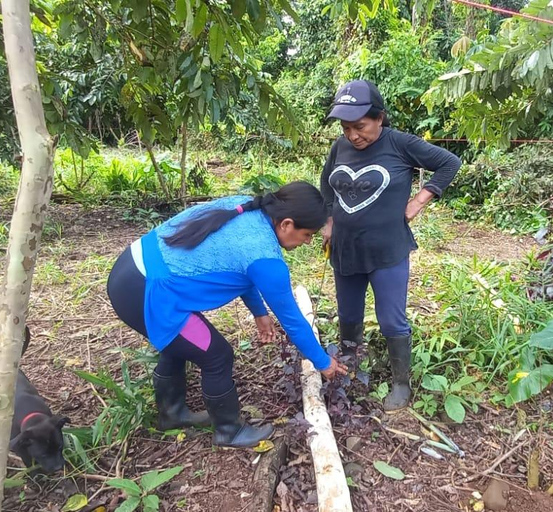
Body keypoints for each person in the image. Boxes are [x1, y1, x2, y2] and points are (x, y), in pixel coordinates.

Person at [107, 181, 348, 448]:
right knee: (217, 355)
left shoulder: (247, 209)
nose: (308, 242)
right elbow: (292, 320)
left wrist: (259, 312)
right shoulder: (266, 258)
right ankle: (228, 431)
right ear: (287, 224)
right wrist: (323, 362)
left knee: (179, 344)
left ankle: (172, 414)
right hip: (148, 290)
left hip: (131, 268)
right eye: (308, 235)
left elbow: (240, 269)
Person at [321, 80, 461, 412]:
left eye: (360, 126)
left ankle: (401, 383)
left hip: (387, 251)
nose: (353, 135)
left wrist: (421, 200)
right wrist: (328, 221)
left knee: (391, 321)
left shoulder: (399, 143)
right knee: (349, 316)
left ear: (380, 118)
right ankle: (350, 368)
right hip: (346, 249)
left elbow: (449, 163)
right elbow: (327, 185)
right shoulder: (339, 147)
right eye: (346, 127)